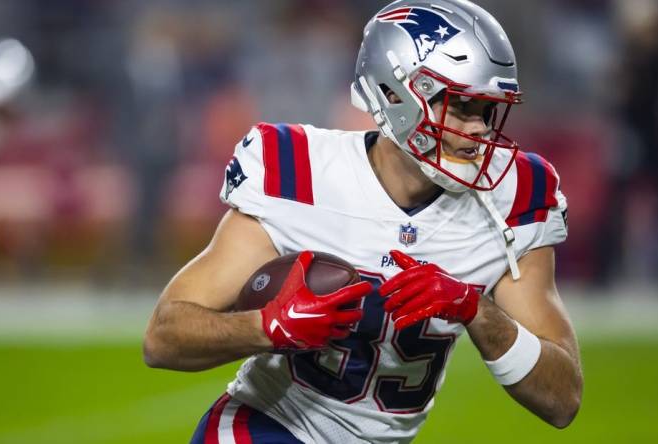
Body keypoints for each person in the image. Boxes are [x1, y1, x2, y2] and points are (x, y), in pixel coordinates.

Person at [143, 1, 583, 442]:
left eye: (489, 111)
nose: (481, 131)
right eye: (462, 106)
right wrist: (265, 326)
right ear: (395, 94)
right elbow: (164, 336)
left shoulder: (512, 196)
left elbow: (562, 400)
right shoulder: (300, 175)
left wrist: (476, 311)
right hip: (267, 428)